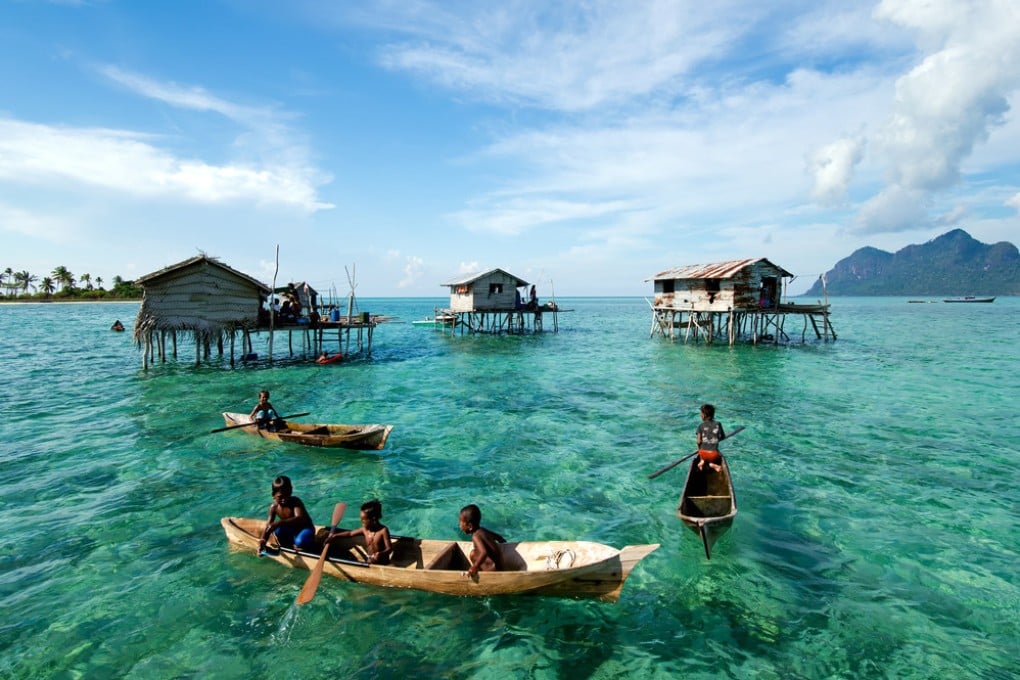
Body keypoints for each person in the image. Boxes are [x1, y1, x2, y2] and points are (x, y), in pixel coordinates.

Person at [258, 475, 316, 552]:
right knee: (277, 530)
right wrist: (263, 540)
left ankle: (306, 545)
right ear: (273, 495)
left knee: (300, 542)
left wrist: (279, 523)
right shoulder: (274, 507)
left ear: (291, 491)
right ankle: (290, 546)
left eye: (287, 494)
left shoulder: (295, 501)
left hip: (305, 529)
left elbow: (299, 518)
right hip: (291, 530)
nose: (285, 499)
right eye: (280, 497)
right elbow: (268, 526)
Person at [325, 499, 393, 565]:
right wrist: (334, 536)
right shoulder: (365, 530)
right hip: (370, 558)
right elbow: (350, 533)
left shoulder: (383, 531)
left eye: (363, 521)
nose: (361, 523)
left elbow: (389, 549)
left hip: (381, 560)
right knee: (368, 560)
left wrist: (381, 554)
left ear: (373, 519)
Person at [459, 504, 506, 577]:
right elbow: (499, 538)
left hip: (494, 570)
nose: (460, 526)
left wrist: (474, 567)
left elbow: (484, 552)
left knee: (473, 555)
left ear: (470, 526)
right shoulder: (483, 530)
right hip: (500, 565)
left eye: (461, 523)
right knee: (474, 553)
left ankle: (483, 574)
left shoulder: (475, 536)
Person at [696, 403, 726, 472]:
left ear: (704, 415)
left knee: (701, 449)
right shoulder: (718, 424)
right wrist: (716, 439)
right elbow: (723, 437)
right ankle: (712, 464)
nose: (700, 415)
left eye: (701, 413)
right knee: (714, 453)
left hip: (703, 454)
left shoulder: (700, 426)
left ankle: (702, 461)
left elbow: (698, 442)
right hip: (714, 455)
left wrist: (698, 450)